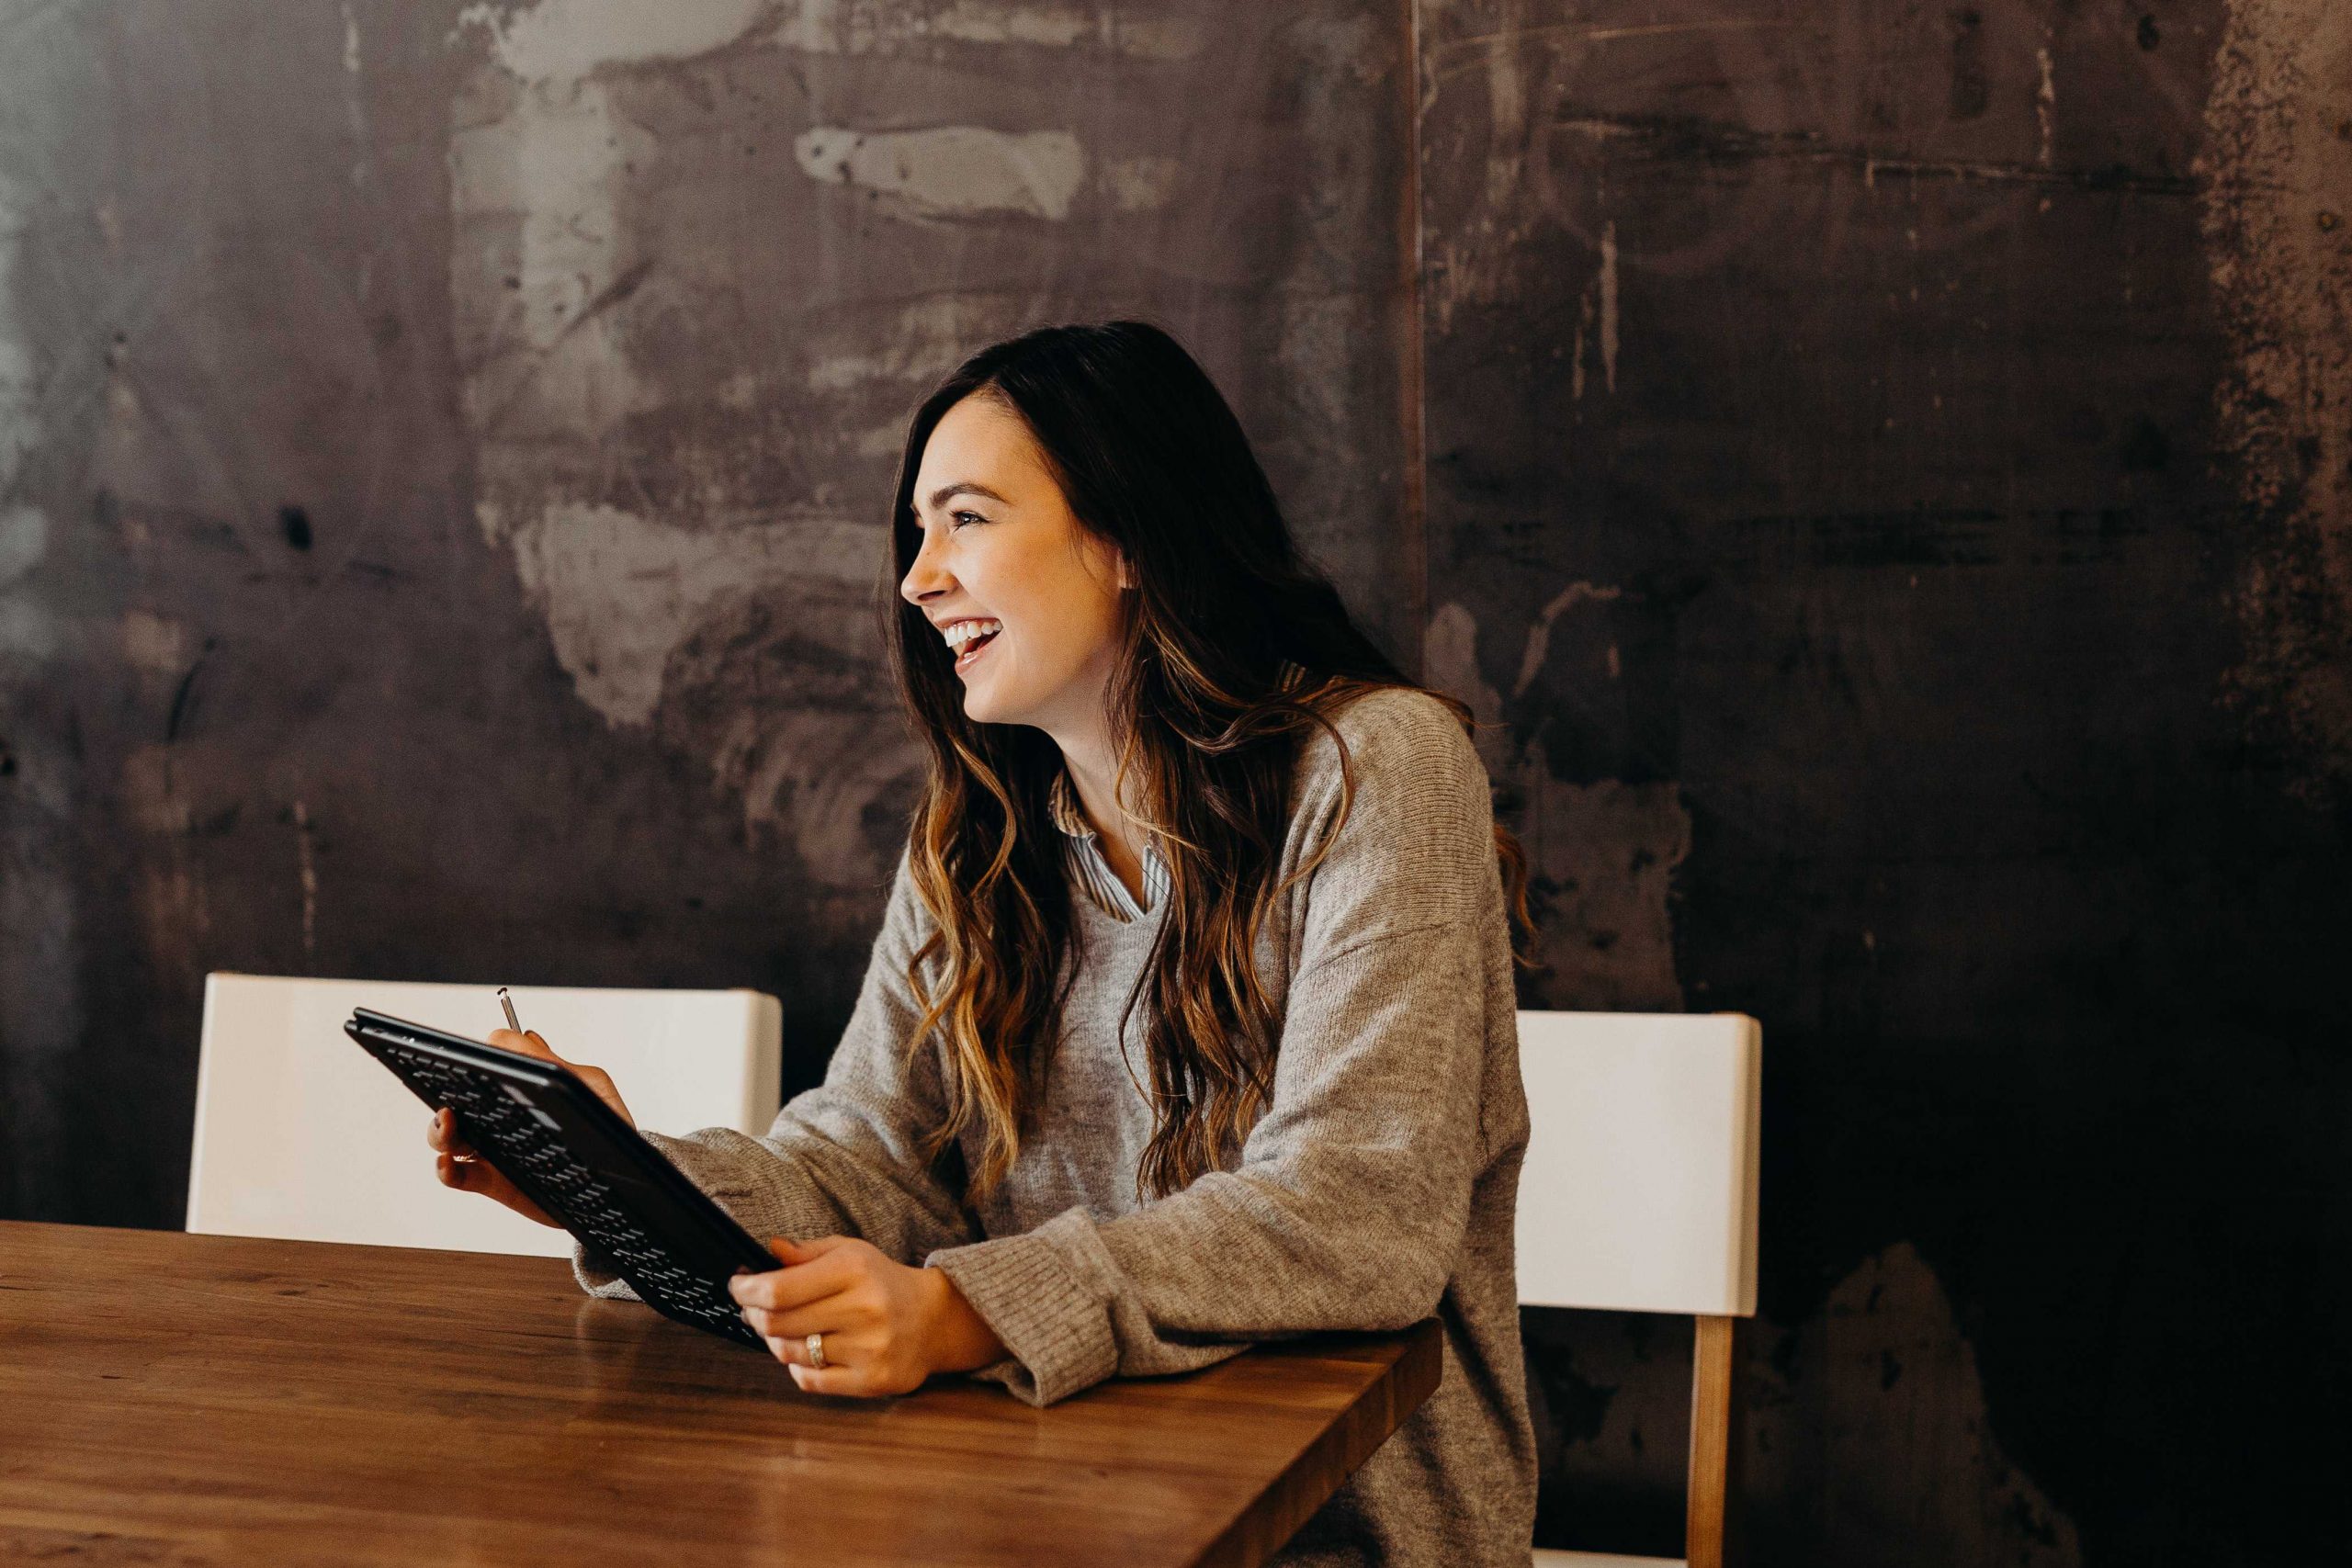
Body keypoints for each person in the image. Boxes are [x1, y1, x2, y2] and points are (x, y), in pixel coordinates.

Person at [428, 321, 1538, 1565]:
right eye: (916, 532)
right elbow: (870, 1167)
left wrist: (962, 1313)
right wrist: (622, 1181)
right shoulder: (977, 836)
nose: (917, 578)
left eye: (964, 519)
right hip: (1033, 1505)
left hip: (1330, 1535)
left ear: (1125, 537)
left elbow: (1354, 1215)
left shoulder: (1375, 769)